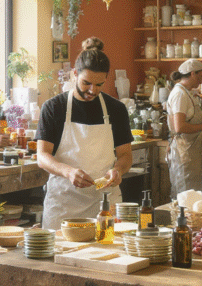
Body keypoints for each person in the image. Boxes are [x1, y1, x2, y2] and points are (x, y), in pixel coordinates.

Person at [36, 38, 134, 230]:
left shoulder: (116, 109)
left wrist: (118, 170)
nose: (92, 90)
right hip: (64, 203)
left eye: (99, 84)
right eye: (86, 83)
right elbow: (42, 156)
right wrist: (68, 171)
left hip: (104, 202)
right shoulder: (54, 107)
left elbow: (125, 155)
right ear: (74, 74)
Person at [166, 59, 202, 200]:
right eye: (200, 76)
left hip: (190, 150)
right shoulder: (180, 94)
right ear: (192, 74)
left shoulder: (186, 93)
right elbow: (180, 126)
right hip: (183, 151)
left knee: (192, 194)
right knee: (185, 195)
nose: (201, 80)